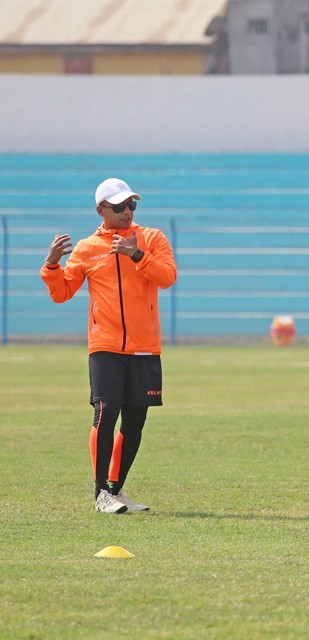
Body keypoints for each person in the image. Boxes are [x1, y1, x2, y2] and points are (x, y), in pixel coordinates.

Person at [41, 178, 177, 514]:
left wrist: (136, 255)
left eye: (132, 204)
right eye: (119, 206)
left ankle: (116, 491)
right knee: (106, 411)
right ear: (101, 210)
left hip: (145, 347)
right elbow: (61, 293)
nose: (128, 211)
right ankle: (100, 492)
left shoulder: (152, 238)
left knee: (134, 422)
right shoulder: (87, 248)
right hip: (105, 346)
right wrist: (53, 266)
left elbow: (168, 276)